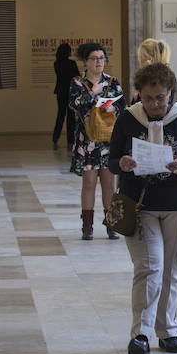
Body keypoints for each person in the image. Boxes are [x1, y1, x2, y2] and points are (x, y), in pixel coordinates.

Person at [109, 62, 177, 354]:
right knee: (149, 267)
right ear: (139, 94)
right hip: (140, 204)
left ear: (170, 94)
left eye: (160, 98)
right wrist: (122, 163)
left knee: (171, 269)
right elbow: (111, 159)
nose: (153, 105)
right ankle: (140, 334)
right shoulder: (128, 118)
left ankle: (168, 331)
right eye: (148, 98)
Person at [69, 42, 127, 240]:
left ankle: (112, 225)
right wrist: (93, 92)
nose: (99, 62)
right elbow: (74, 104)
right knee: (89, 182)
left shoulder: (113, 82)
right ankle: (87, 227)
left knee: (109, 183)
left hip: (109, 140)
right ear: (85, 62)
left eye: (101, 58)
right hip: (88, 141)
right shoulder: (78, 83)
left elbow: (123, 106)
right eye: (94, 59)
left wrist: (114, 109)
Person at [52, 43, 79, 150]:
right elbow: (76, 76)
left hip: (60, 92)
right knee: (71, 116)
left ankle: (55, 137)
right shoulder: (71, 63)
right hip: (70, 92)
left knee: (60, 114)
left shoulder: (56, 63)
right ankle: (70, 139)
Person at [131, 38, 172, 103]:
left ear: (149, 59)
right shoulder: (167, 74)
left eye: (141, 58)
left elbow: (139, 106)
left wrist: (136, 96)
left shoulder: (150, 78)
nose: (140, 63)